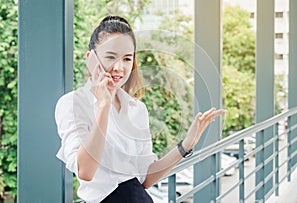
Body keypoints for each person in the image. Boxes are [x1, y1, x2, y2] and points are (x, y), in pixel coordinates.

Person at [55, 15, 226, 203]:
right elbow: (85, 171)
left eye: (127, 59)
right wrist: (104, 105)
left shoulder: (137, 109)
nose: (119, 68)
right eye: (110, 57)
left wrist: (186, 145)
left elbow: (145, 177)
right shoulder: (73, 104)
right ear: (91, 58)